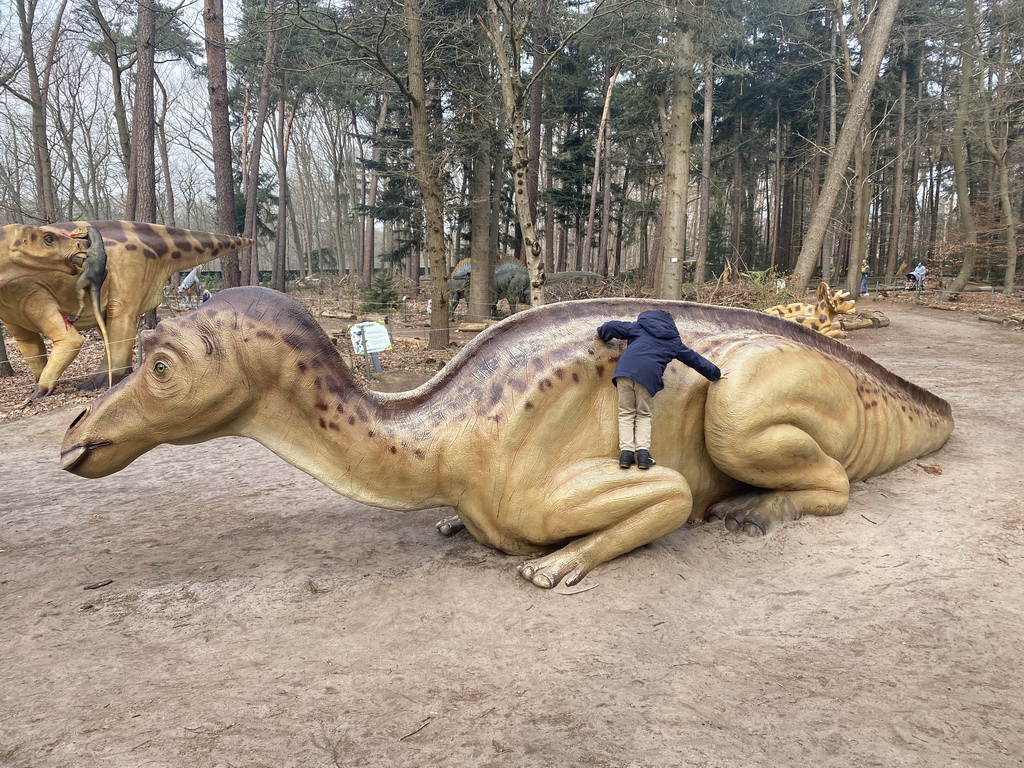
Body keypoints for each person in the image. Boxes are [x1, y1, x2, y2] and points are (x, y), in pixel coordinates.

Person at [597, 310, 728, 470]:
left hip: (624, 371)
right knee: (643, 414)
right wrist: (716, 373)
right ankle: (643, 455)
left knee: (626, 413)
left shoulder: (638, 328)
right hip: (647, 377)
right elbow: (695, 359)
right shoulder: (673, 341)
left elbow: (611, 326)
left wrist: (603, 334)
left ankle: (626, 454)